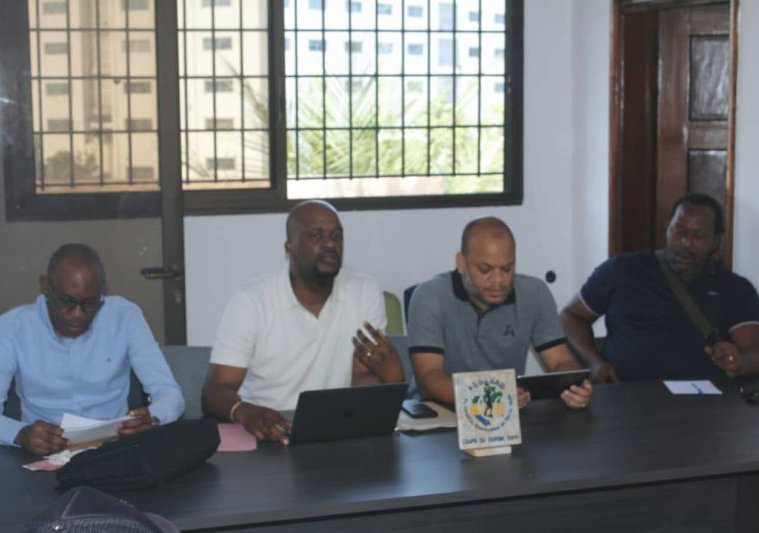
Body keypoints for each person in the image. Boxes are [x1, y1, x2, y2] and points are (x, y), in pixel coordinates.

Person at [202, 200, 404, 444]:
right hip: (267, 432)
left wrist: (390, 380)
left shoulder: (365, 292)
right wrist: (246, 412)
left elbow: (361, 378)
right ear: (290, 246)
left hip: (333, 432)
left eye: (337, 236)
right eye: (316, 235)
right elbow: (216, 389)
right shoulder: (251, 300)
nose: (330, 244)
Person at [0, 244, 184, 455]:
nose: (78, 314)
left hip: (113, 450)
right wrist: (20, 434)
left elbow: (170, 393)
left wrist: (153, 417)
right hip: (42, 453)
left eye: (90, 303)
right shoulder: (12, 327)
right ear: (45, 286)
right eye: (66, 301)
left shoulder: (125, 316)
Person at [561, 193, 759, 382]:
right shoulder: (621, 270)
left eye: (699, 236)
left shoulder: (735, 288)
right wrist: (594, 363)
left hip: (704, 399)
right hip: (624, 394)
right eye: (679, 231)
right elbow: (571, 316)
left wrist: (740, 363)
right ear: (667, 229)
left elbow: (753, 352)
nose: (686, 243)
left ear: (717, 240)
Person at [407, 217, 592, 410]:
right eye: (485, 269)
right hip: (439, 413)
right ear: (461, 263)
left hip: (506, 413)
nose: (498, 280)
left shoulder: (535, 293)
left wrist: (575, 385)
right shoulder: (430, 296)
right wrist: (491, 394)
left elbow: (560, 361)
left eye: (507, 269)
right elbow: (428, 379)